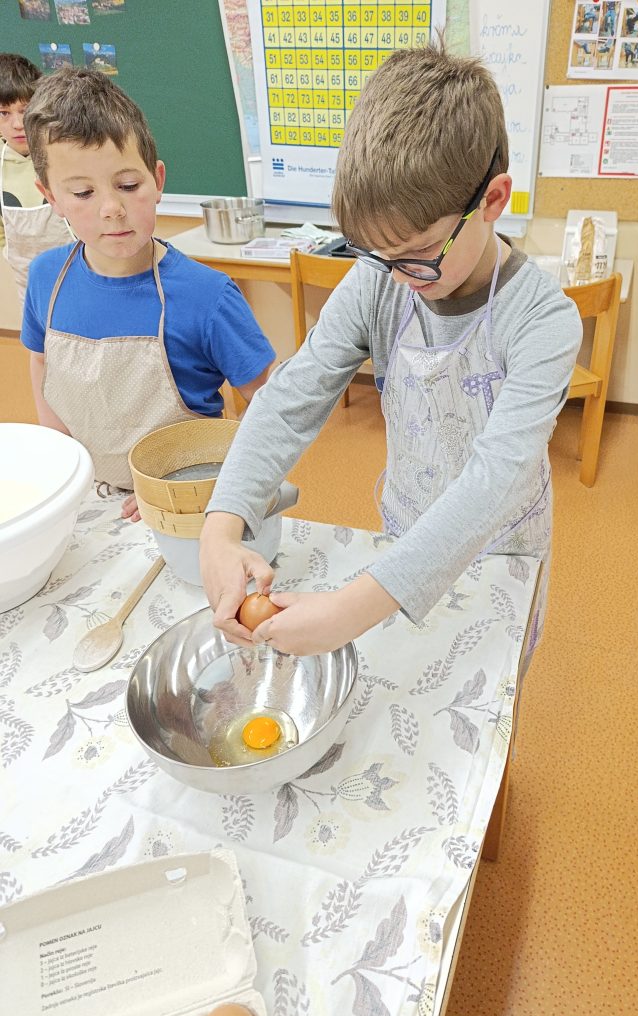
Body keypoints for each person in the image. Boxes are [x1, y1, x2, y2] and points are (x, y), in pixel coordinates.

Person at [200, 41, 582, 658]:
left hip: (500, 550)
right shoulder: (378, 282)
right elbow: (293, 396)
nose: (400, 277)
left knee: (486, 686)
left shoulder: (542, 320)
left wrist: (349, 609)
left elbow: (498, 479)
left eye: (419, 254)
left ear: (492, 200)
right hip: (405, 533)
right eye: (381, 256)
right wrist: (223, 523)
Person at [21, 68, 275, 519]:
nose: (111, 208)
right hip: (88, 495)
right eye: (82, 192)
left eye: (128, 186)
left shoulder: (208, 297)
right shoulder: (46, 278)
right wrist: (65, 462)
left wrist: (196, 481)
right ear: (51, 197)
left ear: (157, 180)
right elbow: (41, 363)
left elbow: (268, 405)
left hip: (188, 499)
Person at [0, 53, 72, 304]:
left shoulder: (64, 153)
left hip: (78, 274)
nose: (17, 124)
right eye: (4, 113)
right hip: (29, 285)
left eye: (25, 110)